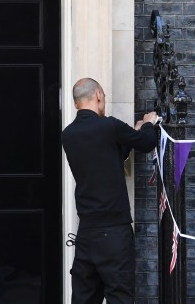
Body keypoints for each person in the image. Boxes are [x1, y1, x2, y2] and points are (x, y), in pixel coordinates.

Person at [61, 77, 159, 304]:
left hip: (86, 233)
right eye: (103, 97)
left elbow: (107, 157)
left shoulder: (68, 135)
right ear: (98, 95)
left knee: (84, 297)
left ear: (76, 104)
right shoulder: (110, 126)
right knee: (119, 296)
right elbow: (146, 142)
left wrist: (128, 138)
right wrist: (147, 124)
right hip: (115, 232)